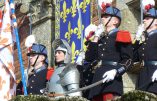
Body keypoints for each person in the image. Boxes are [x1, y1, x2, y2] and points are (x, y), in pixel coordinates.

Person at [84, 3, 133, 101]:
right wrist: (96, 37)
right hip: (97, 81)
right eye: (103, 17)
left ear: (115, 21)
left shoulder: (121, 35)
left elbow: (128, 60)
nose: (103, 19)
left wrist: (117, 71)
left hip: (112, 81)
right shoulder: (100, 38)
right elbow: (89, 58)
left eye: (106, 17)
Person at [135, 6, 157, 94]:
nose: (144, 20)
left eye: (147, 18)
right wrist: (137, 38)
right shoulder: (145, 39)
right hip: (143, 77)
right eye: (144, 18)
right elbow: (133, 57)